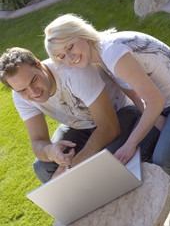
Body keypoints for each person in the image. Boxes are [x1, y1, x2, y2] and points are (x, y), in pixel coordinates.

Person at [44, 13, 170, 185]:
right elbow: (136, 97)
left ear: (81, 34)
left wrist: (130, 143)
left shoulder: (112, 53)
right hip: (166, 104)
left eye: (70, 47)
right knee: (141, 153)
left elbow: (156, 102)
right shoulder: (100, 58)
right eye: (61, 56)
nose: (69, 58)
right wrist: (160, 123)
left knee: (165, 157)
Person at [0, 47, 156, 183]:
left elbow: (109, 128)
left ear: (39, 64)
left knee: (106, 163)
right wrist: (51, 152)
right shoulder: (20, 96)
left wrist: (70, 169)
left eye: (34, 80)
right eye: (22, 90)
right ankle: (85, 206)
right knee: (42, 167)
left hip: (120, 113)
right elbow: (38, 142)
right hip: (81, 125)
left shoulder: (72, 73)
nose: (33, 92)